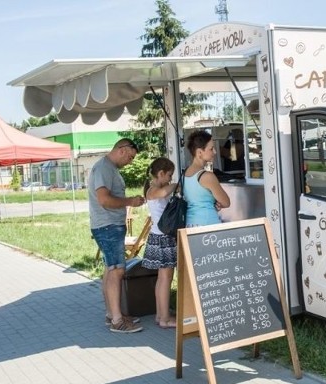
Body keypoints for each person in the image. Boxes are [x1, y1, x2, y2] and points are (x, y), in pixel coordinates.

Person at [89, 138, 146, 333]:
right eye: (130, 157)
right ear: (122, 149)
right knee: (116, 271)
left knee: (110, 269)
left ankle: (111, 314)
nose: (129, 161)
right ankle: (117, 321)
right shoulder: (104, 168)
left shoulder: (108, 168)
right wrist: (130, 201)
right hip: (108, 226)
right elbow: (104, 200)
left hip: (108, 225)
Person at [141, 157, 177, 329]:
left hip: (159, 236)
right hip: (163, 238)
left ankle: (160, 314)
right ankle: (164, 318)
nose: (170, 179)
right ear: (160, 173)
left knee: (163, 278)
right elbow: (164, 193)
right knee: (165, 278)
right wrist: (180, 184)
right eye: (169, 175)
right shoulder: (153, 190)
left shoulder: (154, 188)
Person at [184, 130, 231, 227]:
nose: (215, 152)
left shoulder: (184, 174)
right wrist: (217, 202)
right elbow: (226, 202)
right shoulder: (207, 176)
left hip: (190, 225)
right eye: (211, 149)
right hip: (208, 225)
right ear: (199, 152)